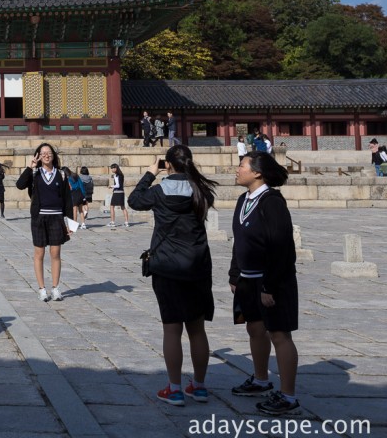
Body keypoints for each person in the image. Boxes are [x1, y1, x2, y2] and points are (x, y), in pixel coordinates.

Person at [128, 145, 218, 407]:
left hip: (167, 264)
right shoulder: (200, 190)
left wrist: (149, 173)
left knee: (172, 328)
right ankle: (200, 387)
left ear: (167, 164)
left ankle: (175, 388)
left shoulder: (159, 191)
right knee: (197, 329)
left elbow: (134, 201)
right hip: (198, 264)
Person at [228, 151, 300, 416]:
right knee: (254, 329)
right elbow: (239, 239)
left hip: (272, 281)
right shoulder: (242, 200)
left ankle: (288, 396)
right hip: (247, 279)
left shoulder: (272, 202)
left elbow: (282, 246)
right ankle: (260, 379)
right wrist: (235, 273)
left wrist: (270, 285)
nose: (237, 169)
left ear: (257, 172)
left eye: (242, 165)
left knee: (279, 334)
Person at [16, 143, 74, 302]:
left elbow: (68, 201)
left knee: (55, 253)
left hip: (56, 217)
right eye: (43, 153)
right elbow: (19, 185)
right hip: (39, 218)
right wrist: (29, 168)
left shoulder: (61, 174)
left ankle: (55, 288)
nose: (46, 155)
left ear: (53, 155)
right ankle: (42, 289)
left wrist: (71, 224)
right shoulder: (35, 173)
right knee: (39, 253)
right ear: (38, 156)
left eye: (49, 153)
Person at [108, 163, 129, 228]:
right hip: (122, 192)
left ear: (115, 168)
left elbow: (118, 185)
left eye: (112, 168)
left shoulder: (117, 175)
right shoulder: (121, 175)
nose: (112, 170)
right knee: (123, 207)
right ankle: (126, 222)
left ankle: (112, 222)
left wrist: (111, 186)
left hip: (117, 192)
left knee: (112, 206)